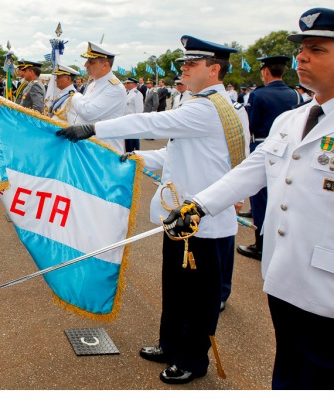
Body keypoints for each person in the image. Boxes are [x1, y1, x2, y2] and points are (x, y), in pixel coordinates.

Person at [57, 35, 250, 384]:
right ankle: (170, 343)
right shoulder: (204, 104)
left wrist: (93, 129)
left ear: (215, 69)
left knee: (198, 297)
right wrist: (138, 157)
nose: (183, 68)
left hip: (203, 223)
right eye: (183, 63)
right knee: (175, 287)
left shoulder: (206, 107)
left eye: (192, 63)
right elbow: (178, 153)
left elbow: (150, 124)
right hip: (181, 218)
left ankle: (192, 359)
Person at [162, 8, 334, 389]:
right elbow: (251, 170)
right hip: (285, 275)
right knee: (289, 371)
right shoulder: (293, 119)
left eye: (317, 49)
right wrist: (198, 206)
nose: (302, 57)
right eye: (302, 49)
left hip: (329, 288)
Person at [237, 56, 302, 261]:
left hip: (263, 145)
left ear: (265, 71)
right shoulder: (295, 94)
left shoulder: (258, 95)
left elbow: (251, 124)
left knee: (260, 199)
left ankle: (261, 245)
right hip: (292, 149)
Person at [71, 42, 126, 153]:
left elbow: (88, 112)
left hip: (103, 150)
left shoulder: (114, 88)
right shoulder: (93, 84)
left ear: (105, 65)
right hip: (89, 147)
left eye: (91, 62)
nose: (86, 65)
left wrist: (75, 96)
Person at [123, 77, 143, 151]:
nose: (126, 84)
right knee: (127, 142)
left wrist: (137, 122)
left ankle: (134, 157)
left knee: (132, 143)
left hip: (133, 121)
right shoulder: (128, 93)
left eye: (128, 83)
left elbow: (139, 110)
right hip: (126, 121)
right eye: (126, 83)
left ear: (134, 84)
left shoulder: (137, 94)